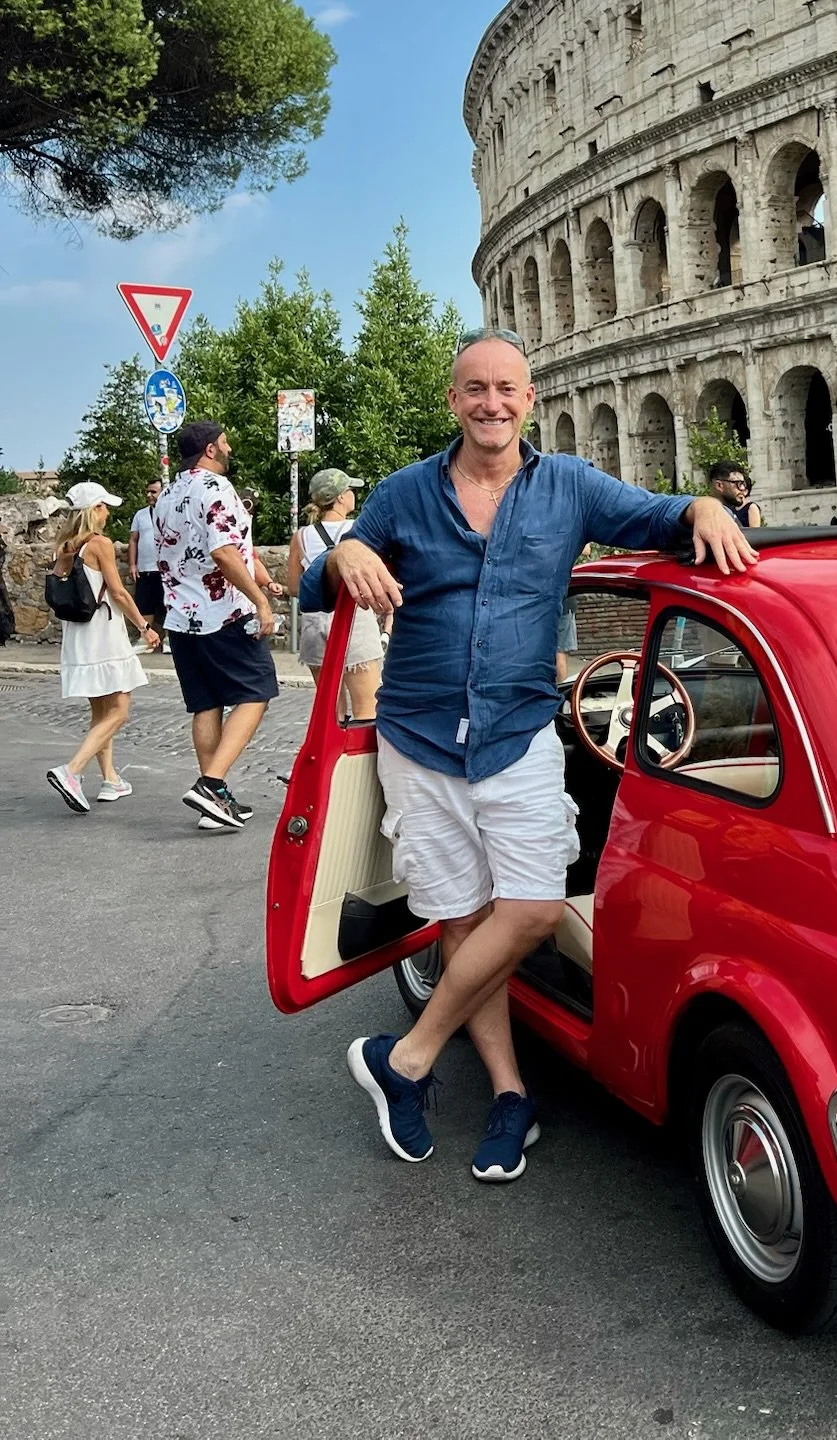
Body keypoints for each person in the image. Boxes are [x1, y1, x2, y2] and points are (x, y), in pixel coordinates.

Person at [306, 329, 754, 1183]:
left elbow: (655, 515)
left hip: (516, 733)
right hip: (420, 736)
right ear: (454, 401)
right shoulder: (404, 496)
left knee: (535, 908)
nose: (492, 404)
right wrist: (349, 550)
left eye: (506, 389)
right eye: (475, 389)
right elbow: (321, 581)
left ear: (530, 398)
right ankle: (512, 1097)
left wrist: (703, 508)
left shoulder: (570, 488)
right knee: (467, 923)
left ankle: (404, 1059)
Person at [154, 421, 279, 833]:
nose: (229, 448)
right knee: (256, 691)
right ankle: (211, 784)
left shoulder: (167, 494)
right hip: (223, 613)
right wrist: (260, 601)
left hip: (181, 618)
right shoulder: (216, 488)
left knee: (206, 703)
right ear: (210, 450)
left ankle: (215, 801)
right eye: (225, 443)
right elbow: (224, 552)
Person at [44, 482, 158, 813]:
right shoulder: (99, 544)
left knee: (100, 713)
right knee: (120, 710)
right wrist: (145, 626)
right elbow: (119, 592)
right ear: (93, 510)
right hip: (104, 634)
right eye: (104, 506)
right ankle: (72, 770)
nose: (108, 512)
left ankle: (111, 779)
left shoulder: (64, 545)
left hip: (79, 637)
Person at [286, 469, 383, 720]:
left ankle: (330, 756)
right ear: (340, 497)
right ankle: (359, 759)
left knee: (330, 707)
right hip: (353, 617)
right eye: (350, 490)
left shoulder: (301, 536)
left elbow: (296, 587)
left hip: (314, 619)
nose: (353, 495)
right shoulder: (359, 529)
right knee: (367, 706)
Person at [128, 477, 166, 653]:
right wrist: (133, 565)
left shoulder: (170, 511)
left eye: (153, 492)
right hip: (146, 568)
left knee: (169, 605)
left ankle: (170, 641)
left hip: (167, 569)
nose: (149, 495)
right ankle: (146, 641)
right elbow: (133, 540)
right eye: (148, 492)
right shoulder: (140, 515)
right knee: (145, 604)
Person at [707, 461, 761, 528]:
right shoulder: (706, 514)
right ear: (719, 485)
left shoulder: (732, 513)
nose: (742, 488)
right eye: (737, 483)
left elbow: (755, 536)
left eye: (742, 484)